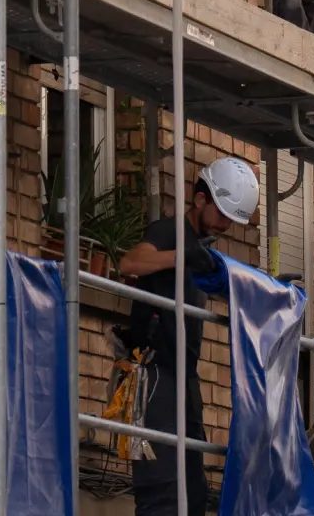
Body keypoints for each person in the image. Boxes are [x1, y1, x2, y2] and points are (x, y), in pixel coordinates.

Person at [117, 156, 260, 516]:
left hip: (184, 376)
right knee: (163, 489)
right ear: (200, 199)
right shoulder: (171, 232)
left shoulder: (203, 247)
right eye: (223, 215)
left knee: (193, 493)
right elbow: (130, 264)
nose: (227, 225)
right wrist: (181, 255)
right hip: (154, 371)